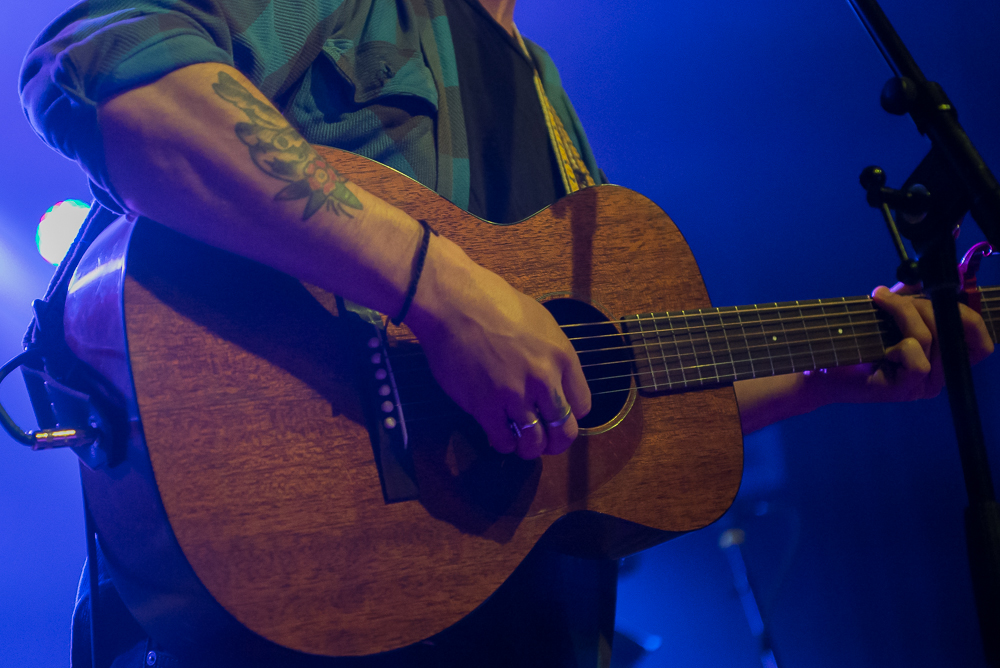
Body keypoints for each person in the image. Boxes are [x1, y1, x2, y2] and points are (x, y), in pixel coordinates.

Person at [19, 0, 994, 666]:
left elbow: (594, 397)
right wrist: (440, 292)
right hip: (291, 613)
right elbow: (104, 70)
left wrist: (837, 369)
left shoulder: (541, 89)